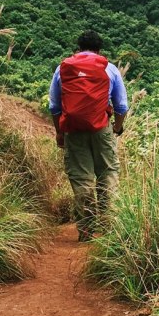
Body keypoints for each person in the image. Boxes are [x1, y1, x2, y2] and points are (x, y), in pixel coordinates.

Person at [48, 30, 128, 241]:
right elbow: (121, 106)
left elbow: (54, 107)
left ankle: (86, 232)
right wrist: (116, 128)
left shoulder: (63, 69)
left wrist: (60, 133)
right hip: (102, 128)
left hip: (73, 131)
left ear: (79, 47)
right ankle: (110, 229)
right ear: (99, 49)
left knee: (82, 179)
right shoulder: (109, 69)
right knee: (108, 173)